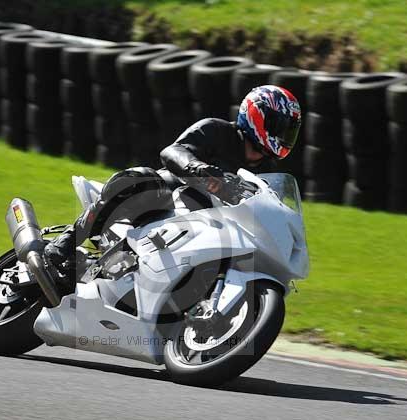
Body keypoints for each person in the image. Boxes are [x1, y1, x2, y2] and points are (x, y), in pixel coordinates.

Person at [44, 84, 302, 279]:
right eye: (279, 126)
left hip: (213, 225)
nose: (283, 135)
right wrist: (199, 168)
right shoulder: (216, 130)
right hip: (166, 200)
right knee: (138, 179)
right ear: (257, 115)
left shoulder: (265, 172)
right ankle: (67, 241)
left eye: (288, 130)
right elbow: (172, 152)